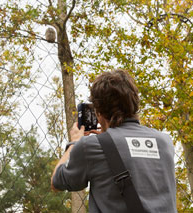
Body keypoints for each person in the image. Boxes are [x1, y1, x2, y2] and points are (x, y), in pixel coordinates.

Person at [51, 69, 177, 212]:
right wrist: (108, 140)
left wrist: (74, 143)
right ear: (135, 102)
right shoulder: (165, 142)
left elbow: (56, 182)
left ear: (98, 111)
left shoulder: (90, 146)